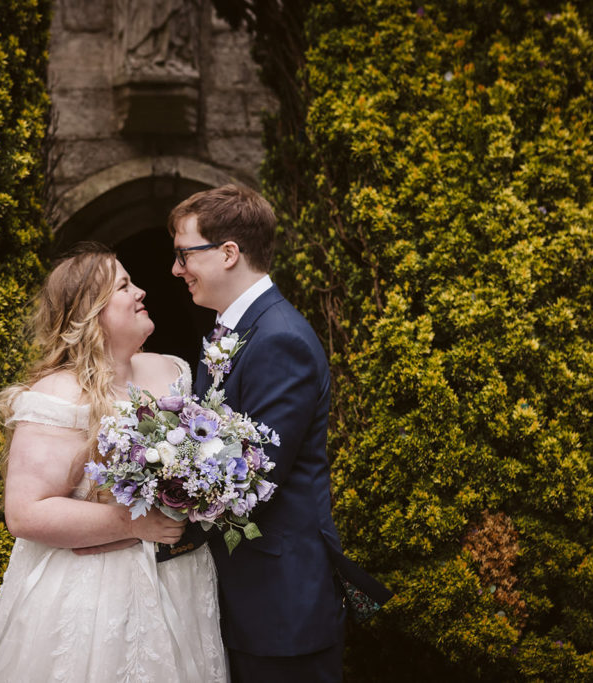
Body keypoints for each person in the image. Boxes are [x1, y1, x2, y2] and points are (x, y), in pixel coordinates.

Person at [0, 243, 228, 682]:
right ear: (90, 314)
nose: (141, 292)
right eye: (125, 286)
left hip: (181, 577)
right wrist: (131, 524)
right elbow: (25, 512)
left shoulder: (172, 372)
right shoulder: (58, 395)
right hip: (94, 592)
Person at [169, 184, 391, 682]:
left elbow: (251, 477)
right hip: (249, 595)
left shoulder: (279, 340)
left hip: (279, 601)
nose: (176, 270)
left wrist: (160, 496)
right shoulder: (238, 331)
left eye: (185, 255)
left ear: (228, 254)